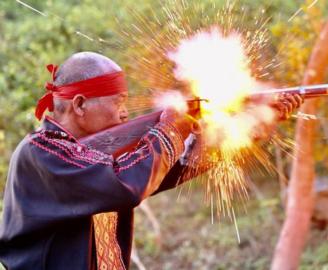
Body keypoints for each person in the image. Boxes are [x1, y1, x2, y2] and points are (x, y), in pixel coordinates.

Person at [0, 52, 303, 269]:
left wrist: (256, 123)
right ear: (79, 105)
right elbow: (124, 185)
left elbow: (174, 168)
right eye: (118, 103)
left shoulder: (93, 156)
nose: (124, 114)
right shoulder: (40, 152)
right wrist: (170, 127)